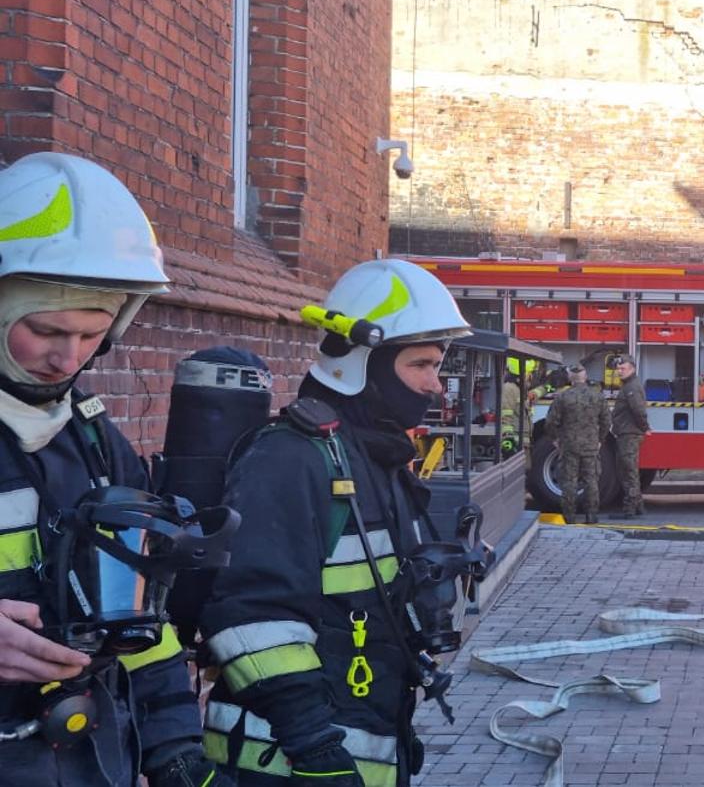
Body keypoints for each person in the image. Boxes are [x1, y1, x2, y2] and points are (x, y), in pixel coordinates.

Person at [0, 152, 230, 787]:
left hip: (91, 758)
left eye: (93, 334)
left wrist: (176, 747)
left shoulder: (98, 444)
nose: (66, 357)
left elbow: (140, 619)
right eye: (44, 329)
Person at [199, 258, 474, 787]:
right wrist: (315, 750)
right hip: (282, 765)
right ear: (360, 362)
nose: (435, 385)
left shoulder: (374, 457)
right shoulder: (292, 458)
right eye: (421, 365)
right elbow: (252, 616)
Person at [546, 364, 608, 524]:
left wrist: (556, 439)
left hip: (569, 445)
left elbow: (551, 422)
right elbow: (606, 421)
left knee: (569, 481)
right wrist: (600, 439)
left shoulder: (562, 397)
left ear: (570, 378)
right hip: (591, 445)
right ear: (585, 377)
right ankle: (591, 516)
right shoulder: (598, 397)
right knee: (591, 480)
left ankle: (569, 517)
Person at [607, 355, 651, 516]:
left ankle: (629, 509)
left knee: (627, 471)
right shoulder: (629, 385)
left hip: (629, 434)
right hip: (628, 432)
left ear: (632, 368)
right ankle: (638, 505)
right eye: (618, 369)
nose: (619, 372)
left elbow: (639, 410)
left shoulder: (630, 387)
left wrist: (645, 427)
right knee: (628, 469)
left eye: (623, 368)